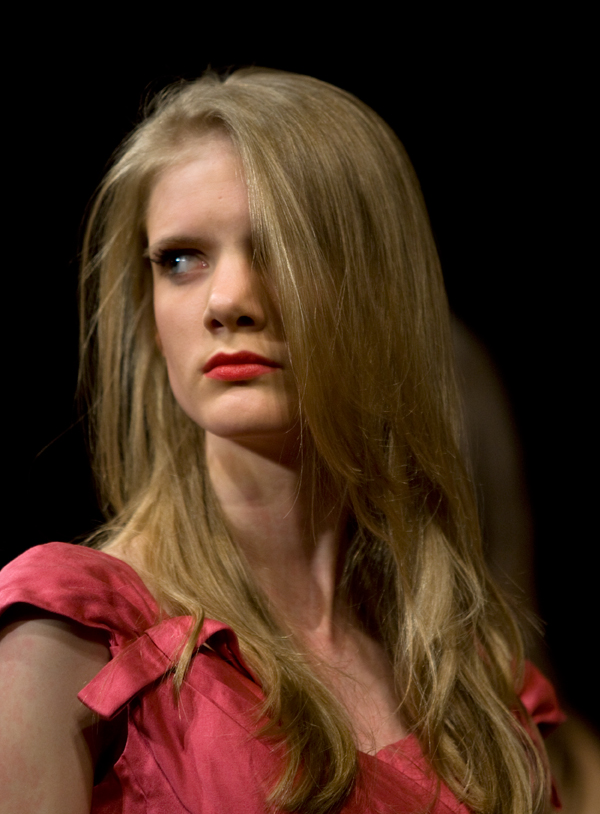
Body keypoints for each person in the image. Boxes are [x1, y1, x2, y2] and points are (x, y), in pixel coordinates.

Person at [0, 68, 564, 813]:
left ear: (380, 289)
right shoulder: (72, 638)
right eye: (179, 260)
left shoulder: (481, 690)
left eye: (280, 247)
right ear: (150, 311)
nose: (227, 300)